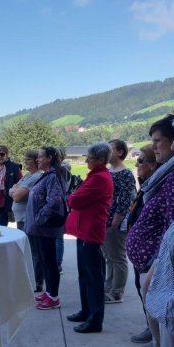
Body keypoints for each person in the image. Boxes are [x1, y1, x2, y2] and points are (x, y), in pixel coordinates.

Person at [124, 114, 174, 347]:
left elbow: (173, 229)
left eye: (158, 141)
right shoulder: (167, 174)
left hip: (162, 277)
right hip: (155, 273)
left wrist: (155, 269)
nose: (156, 147)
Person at [65, 142, 114, 333]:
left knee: (93, 278)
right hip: (85, 231)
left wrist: (72, 196)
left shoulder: (99, 178)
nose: (86, 160)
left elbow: (75, 199)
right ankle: (86, 311)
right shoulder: (96, 176)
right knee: (85, 276)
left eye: (90, 157)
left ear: (101, 159)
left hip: (90, 232)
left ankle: (95, 319)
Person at [25, 146, 68, 310]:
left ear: (50, 158)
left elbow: (54, 202)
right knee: (44, 260)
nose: (38, 159)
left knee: (49, 262)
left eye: (41, 157)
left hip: (45, 228)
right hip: (39, 228)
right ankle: (49, 292)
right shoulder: (47, 176)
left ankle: (54, 297)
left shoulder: (53, 176)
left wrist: (37, 220)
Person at [128, 145, 159, 347]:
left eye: (141, 161)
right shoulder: (147, 184)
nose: (137, 164)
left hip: (151, 253)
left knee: (151, 291)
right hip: (141, 253)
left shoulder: (159, 187)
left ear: (154, 164)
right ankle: (150, 328)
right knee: (142, 290)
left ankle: (156, 334)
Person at [102, 139, 136, 303]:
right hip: (105, 220)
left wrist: (115, 222)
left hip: (115, 222)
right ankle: (109, 287)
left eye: (110, 149)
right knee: (109, 256)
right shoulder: (109, 171)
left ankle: (117, 292)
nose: (106, 152)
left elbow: (124, 200)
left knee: (118, 257)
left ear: (120, 152)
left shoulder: (125, 173)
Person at [9, 150, 43, 292]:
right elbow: (11, 190)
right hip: (21, 218)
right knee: (25, 249)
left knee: (33, 250)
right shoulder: (27, 176)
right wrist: (15, 190)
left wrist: (15, 190)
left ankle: (37, 281)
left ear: (36, 161)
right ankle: (29, 278)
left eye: (29, 159)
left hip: (28, 219)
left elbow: (17, 196)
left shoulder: (36, 177)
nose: (26, 161)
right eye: (26, 159)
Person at [0, 145, 22, 226]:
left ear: (7, 154)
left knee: (0, 228)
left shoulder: (14, 167)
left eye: (2, 154)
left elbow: (21, 183)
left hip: (4, 205)